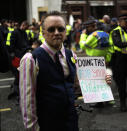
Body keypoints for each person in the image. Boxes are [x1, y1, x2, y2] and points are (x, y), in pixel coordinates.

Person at [19, 11, 112, 131]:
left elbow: (77, 86)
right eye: (51, 29)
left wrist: (100, 82)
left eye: (60, 29)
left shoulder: (71, 55)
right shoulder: (31, 59)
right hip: (47, 123)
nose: (56, 33)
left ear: (65, 32)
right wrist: (33, 128)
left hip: (71, 121)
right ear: (43, 33)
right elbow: (27, 101)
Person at [109, 14, 127, 112]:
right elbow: (118, 43)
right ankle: (123, 103)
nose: (126, 21)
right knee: (121, 83)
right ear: (119, 21)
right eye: (124, 20)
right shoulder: (116, 31)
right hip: (120, 59)